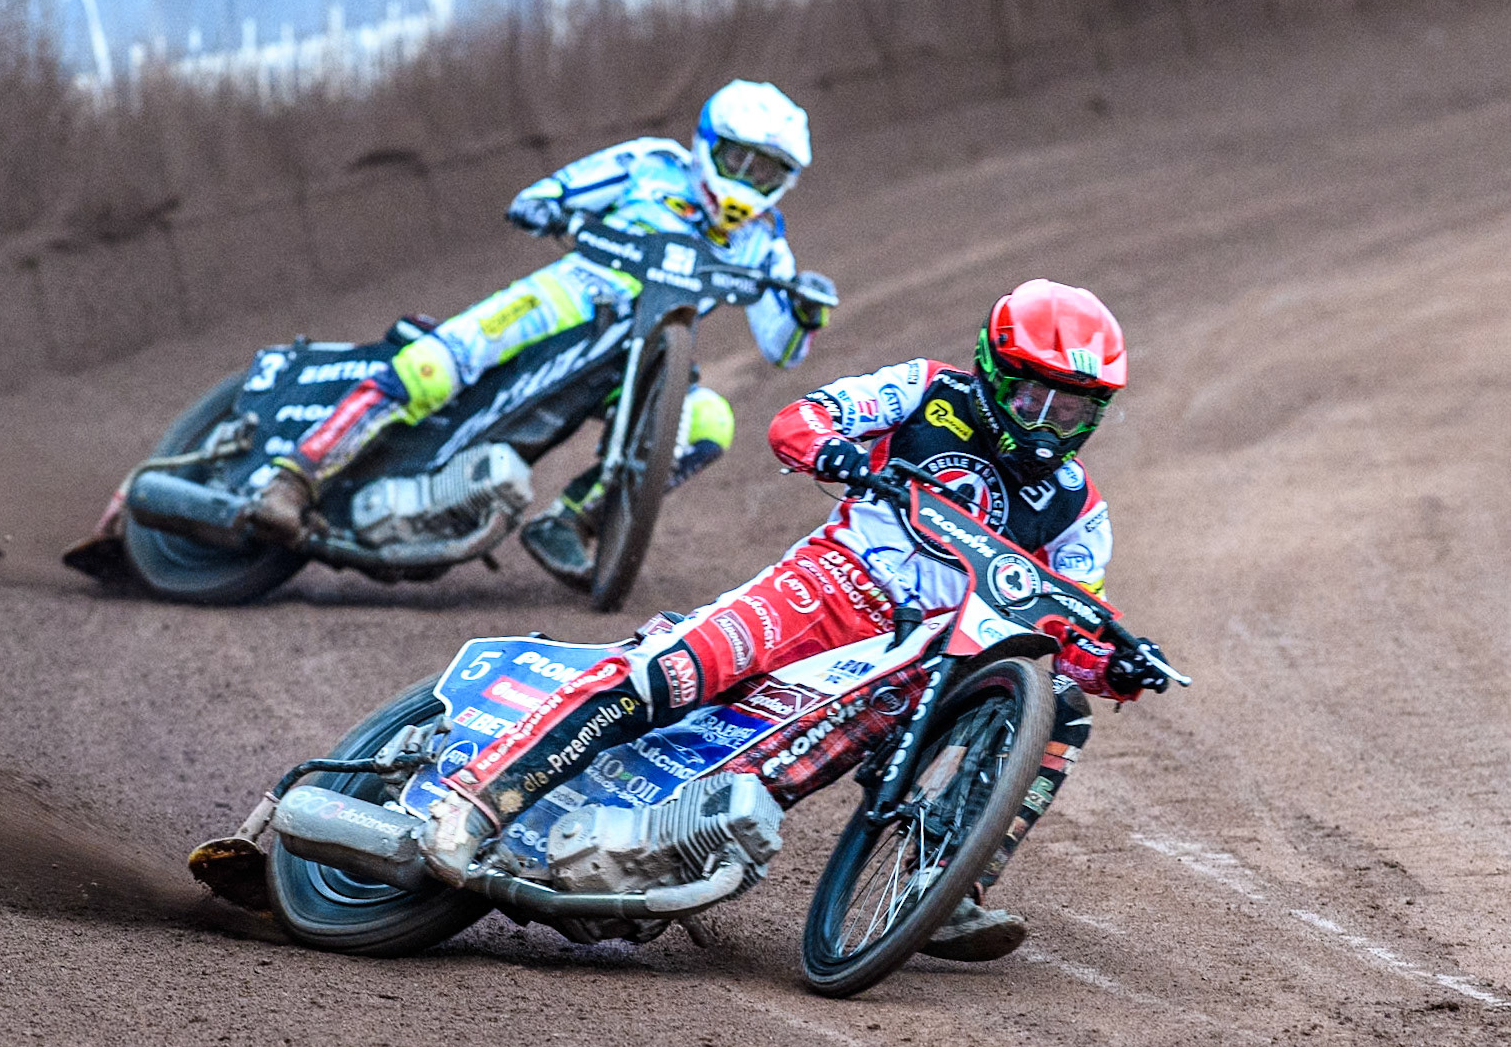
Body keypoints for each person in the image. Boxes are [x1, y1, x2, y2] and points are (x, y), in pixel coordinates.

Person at [418, 278, 1173, 961]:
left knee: (1057, 709)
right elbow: (803, 418)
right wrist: (835, 453)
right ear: (992, 371)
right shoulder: (925, 390)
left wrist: (1117, 664)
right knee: (671, 671)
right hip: (829, 585)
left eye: (1072, 409)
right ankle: (477, 802)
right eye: (1034, 397)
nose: (1048, 423)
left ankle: (945, 887)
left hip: (921, 658)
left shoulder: (1081, 511)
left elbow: (1072, 628)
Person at [246, 79, 837, 588]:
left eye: (766, 170)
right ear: (709, 145)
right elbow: (547, 194)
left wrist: (808, 310)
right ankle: (293, 478)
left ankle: (573, 520)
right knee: (436, 365)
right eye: (739, 160)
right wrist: (550, 207)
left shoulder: (764, 240)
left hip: (643, 355)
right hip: (571, 294)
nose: (749, 179)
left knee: (710, 419)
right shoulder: (652, 164)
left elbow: (783, 347)